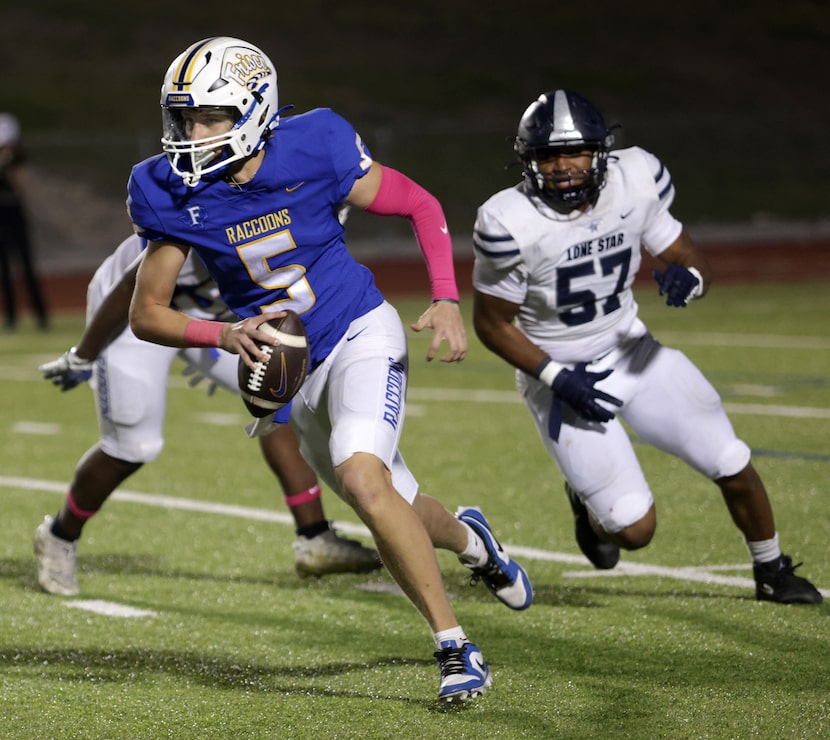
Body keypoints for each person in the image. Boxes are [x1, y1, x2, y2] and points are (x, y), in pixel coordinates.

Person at [124, 37, 532, 703]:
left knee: (363, 480)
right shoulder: (164, 189)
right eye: (184, 120)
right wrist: (223, 332)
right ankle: (473, 540)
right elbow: (148, 312)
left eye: (209, 119)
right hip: (290, 367)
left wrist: (446, 298)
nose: (192, 135)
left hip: (359, 329)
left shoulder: (316, 141)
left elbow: (420, 205)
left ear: (255, 110)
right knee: (390, 502)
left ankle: (454, 646)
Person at [471, 89, 822, 605]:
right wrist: (558, 380)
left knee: (732, 460)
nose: (564, 167)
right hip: (559, 368)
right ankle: (588, 509)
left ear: (601, 153)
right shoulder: (508, 221)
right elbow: (492, 324)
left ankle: (770, 568)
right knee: (634, 530)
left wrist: (692, 279)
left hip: (630, 346)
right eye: (549, 155)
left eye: (576, 153)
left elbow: (686, 254)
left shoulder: (636, 181)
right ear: (529, 161)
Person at [34, 232, 382, 597]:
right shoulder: (212, 219)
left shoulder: (289, 207)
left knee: (280, 392)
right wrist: (85, 354)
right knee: (133, 445)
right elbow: (129, 292)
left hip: (207, 308)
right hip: (135, 308)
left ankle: (315, 538)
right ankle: (59, 537)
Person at [0, 112, 49, 330]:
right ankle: (11, 317)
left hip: (14, 212)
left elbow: (21, 188)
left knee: (26, 265)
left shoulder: (18, 160)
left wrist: (7, 167)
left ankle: (41, 316)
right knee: (4, 269)